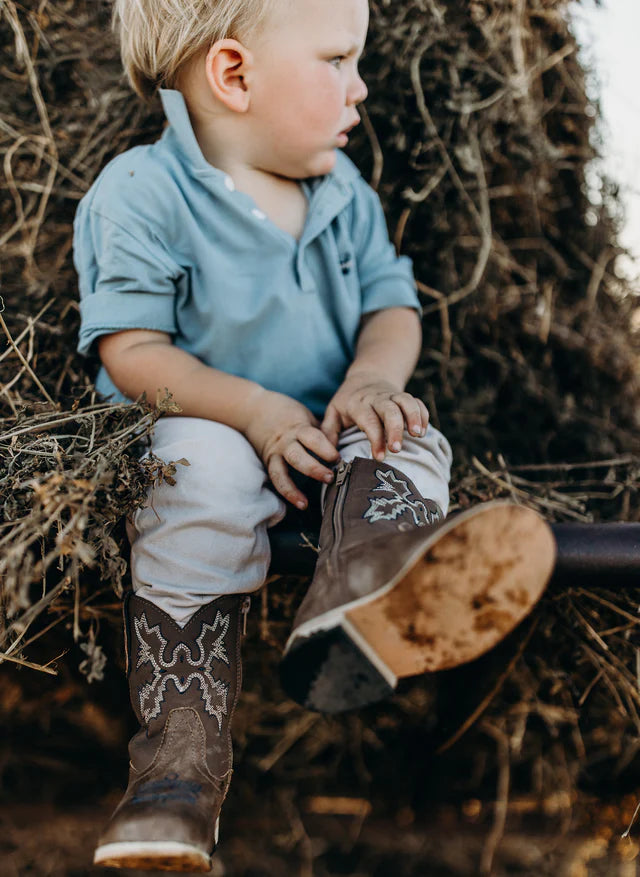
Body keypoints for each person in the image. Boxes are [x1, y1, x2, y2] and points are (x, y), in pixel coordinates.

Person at [74, 0, 556, 870]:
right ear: (233, 76)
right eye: (339, 58)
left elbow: (391, 306)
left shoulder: (344, 194)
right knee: (200, 466)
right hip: (214, 424)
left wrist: (371, 382)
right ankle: (177, 776)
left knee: (407, 434)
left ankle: (363, 589)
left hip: (329, 431)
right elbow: (133, 350)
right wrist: (255, 413)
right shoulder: (141, 191)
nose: (362, 87)